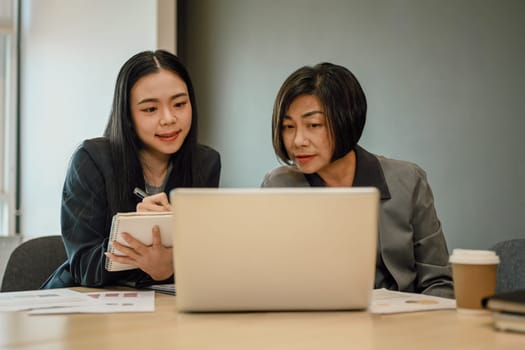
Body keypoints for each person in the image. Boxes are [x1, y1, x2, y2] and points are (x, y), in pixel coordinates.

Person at [261, 62, 454, 298]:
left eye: (313, 125)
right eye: (288, 127)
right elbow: (268, 280)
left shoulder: (408, 181)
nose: (298, 140)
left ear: (346, 120)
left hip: (401, 327)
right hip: (315, 327)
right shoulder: (278, 186)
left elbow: (439, 283)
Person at [43, 50, 221, 289]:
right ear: (127, 115)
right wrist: (142, 237)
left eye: (179, 104)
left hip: (157, 306)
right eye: (150, 109)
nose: (169, 118)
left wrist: (167, 267)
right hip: (83, 302)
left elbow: (202, 257)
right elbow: (84, 267)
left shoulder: (205, 163)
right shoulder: (92, 160)